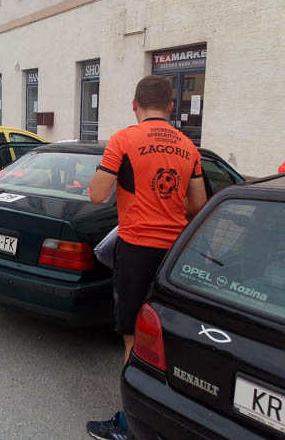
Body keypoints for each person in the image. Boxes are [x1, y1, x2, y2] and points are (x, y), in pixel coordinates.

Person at [86, 76, 206, 440]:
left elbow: (96, 194)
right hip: (174, 254)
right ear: (171, 107)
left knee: (133, 338)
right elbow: (198, 204)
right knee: (165, 336)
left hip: (137, 248)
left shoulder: (124, 139)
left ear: (134, 104)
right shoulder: (188, 145)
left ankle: (130, 424)